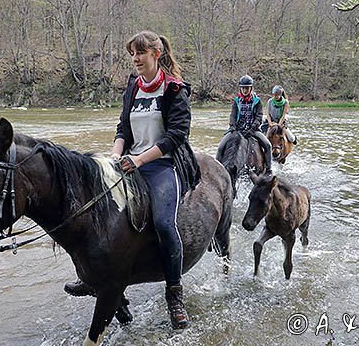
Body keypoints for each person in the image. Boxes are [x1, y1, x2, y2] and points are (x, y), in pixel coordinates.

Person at [64, 31, 200, 330]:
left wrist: (139, 160)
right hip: (127, 162)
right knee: (94, 210)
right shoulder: (133, 86)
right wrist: (115, 154)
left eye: (140, 53)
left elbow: (177, 136)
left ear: (156, 54)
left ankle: (174, 293)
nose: (135, 59)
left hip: (162, 165)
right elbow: (123, 126)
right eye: (132, 54)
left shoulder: (174, 89)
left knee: (165, 223)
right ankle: (96, 277)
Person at [215, 74, 272, 173]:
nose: (245, 90)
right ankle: (218, 170)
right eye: (243, 88)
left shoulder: (257, 101)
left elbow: (259, 116)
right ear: (240, 89)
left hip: (252, 130)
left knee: (268, 145)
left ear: (251, 88)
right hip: (237, 129)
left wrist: (252, 128)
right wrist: (232, 126)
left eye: (247, 88)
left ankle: (268, 170)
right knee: (221, 147)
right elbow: (233, 115)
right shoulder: (236, 101)